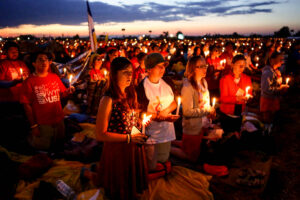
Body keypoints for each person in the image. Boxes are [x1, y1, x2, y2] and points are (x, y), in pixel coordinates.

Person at [93, 57, 148, 200]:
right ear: (114, 74)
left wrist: (139, 132)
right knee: (117, 186)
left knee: (131, 183)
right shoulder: (108, 99)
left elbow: (132, 122)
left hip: (132, 147)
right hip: (117, 150)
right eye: (125, 72)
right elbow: (100, 134)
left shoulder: (131, 94)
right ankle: (88, 173)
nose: (130, 76)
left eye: (131, 72)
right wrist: (129, 138)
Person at [20, 52, 74, 151]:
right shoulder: (29, 82)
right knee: (44, 149)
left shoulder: (54, 77)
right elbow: (26, 105)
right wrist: (34, 126)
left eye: (46, 59)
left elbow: (62, 94)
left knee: (59, 148)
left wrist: (69, 92)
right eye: (40, 59)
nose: (44, 61)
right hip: (42, 124)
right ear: (34, 63)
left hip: (59, 121)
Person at [136, 53, 178, 171]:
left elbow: (175, 102)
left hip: (166, 129)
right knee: (151, 165)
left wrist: (166, 111)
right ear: (149, 69)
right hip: (151, 132)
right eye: (158, 66)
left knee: (164, 160)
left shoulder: (167, 82)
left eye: (163, 66)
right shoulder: (141, 88)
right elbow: (140, 113)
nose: (162, 69)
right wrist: (157, 116)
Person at [170, 56, 216, 162]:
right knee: (191, 157)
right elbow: (187, 112)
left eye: (206, 66)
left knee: (194, 149)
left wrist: (211, 112)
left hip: (203, 124)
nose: (205, 69)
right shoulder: (188, 87)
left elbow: (206, 103)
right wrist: (206, 111)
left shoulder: (204, 82)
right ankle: (166, 149)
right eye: (201, 67)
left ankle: (170, 142)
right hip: (192, 127)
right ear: (193, 68)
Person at [219, 55, 252, 135]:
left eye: (243, 66)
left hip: (240, 113)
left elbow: (249, 93)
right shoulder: (225, 79)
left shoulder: (247, 78)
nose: (241, 68)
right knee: (228, 137)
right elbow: (223, 98)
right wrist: (236, 99)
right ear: (232, 64)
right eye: (239, 65)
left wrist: (249, 97)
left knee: (237, 136)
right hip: (227, 115)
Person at [260, 52, 289, 134]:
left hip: (273, 99)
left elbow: (274, 85)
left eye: (282, 60)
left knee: (272, 119)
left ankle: (269, 133)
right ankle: (265, 136)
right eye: (280, 60)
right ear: (272, 60)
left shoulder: (275, 71)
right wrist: (280, 88)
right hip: (268, 101)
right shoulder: (268, 73)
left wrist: (281, 87)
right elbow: (267, 89)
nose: (282, 62)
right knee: (267, 120)